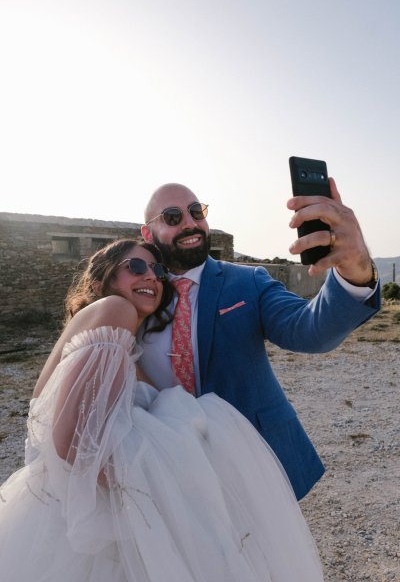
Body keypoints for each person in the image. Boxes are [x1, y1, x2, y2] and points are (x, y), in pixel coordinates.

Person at [0, 238, 326, 581]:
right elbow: (71, 441)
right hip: (92, 511)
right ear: (102, 281)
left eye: (157, 270)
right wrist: (159, 493)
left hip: (62, 505)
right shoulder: (116, 311)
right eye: (136, 267)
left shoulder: (111, 329)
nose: (152, 277)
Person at [139, 180, 381, 500]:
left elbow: (308, 329)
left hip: (251, 463)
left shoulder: (248, 281)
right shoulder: (137, 295)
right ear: (147, 234)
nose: (190, 223)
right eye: (172, 217)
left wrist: (355, 272)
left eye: (196, 211)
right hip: (166, 467)